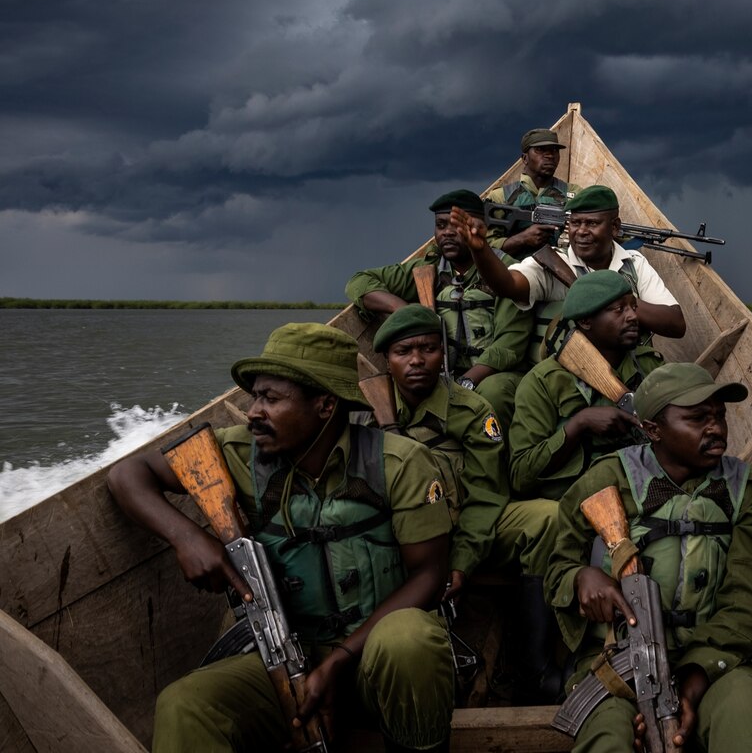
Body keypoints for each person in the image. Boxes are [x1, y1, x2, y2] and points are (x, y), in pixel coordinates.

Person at [106, 323, 454, 752]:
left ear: (325, 405)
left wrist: (342, 659)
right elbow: (127, 475)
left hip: (374, 662)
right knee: (185, 704)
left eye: (271, 399)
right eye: (255, 396)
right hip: (286, 659)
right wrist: (187, 536)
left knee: (409, 640)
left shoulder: (399, 463)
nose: (252, 411)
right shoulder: (234, 454)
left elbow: (431, 576)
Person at [544, 361, 752, 753]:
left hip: (713, 660)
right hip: (616, 661)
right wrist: (580, 579)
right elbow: (555, 568)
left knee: (748, 719)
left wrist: (697, 673)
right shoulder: (605, 481)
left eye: (719, 416)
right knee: (607, 737)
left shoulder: (749, 491)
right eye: (697, 418)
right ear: (652, 429)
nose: (716, 428)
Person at [371, 305, 561, 702]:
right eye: (403, 351)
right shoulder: (367, 412)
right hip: (404, 542)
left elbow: (488, 494)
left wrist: (461, 561)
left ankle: (535, 665)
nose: (417, 360)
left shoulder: (470, 410)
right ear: (386, 361)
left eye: (428, 349)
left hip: (470, 531)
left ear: (444, 354)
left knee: (547, 518)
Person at [347, 189, 532, 429]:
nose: (447, 233)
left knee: (492, 395)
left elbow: (508, 347)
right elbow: (359, 283)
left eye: (456, 226)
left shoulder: (506, 273)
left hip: (492, 374)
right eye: (440, 225)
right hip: (440, 373)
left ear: (478, 226)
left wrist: (464, 383)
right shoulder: (431, 268)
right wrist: (404, 310)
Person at [450, 184, 686, 362]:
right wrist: (480, 251)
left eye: (592, 224)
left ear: (614, 227)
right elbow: (508, 284)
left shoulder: (633, 263)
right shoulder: (553, 262)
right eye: (575, 223)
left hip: (630, 366)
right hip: (571, 374)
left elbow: (675, 324)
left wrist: (610, 300)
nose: (581, 232)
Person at [509, 270, 666, 502]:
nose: (633, 316)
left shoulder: (650, 365)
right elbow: (521, 476)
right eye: (619, 309)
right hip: (576, 504)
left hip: (645, 491)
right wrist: (579, 425)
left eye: (634, 307)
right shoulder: (543, 381)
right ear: (585, 321)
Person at [485, 127, 579, 257]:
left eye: (554, 150)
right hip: (513, 272)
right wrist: (523, 239)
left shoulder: (575, 194)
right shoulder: (501, 197)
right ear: (525, 158)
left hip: (563, 271)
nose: (549, 155)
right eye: (540, 150)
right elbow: (485, 247)